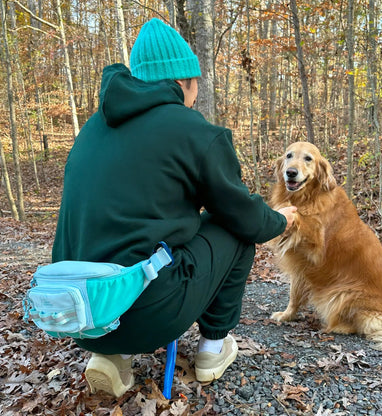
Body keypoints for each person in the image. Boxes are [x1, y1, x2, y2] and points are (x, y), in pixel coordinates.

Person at [52, 17, 297, 398]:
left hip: (76, 313)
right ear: (182, 82)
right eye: (196, 84)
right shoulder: (194, 131)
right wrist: (280, 218)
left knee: (127, 241)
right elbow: (246, 219)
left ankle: (110, 357)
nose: (197, 94)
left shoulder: (92, 129)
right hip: (145, 315)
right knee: (232, 228)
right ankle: (213, 349)